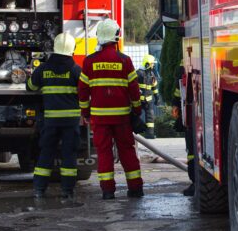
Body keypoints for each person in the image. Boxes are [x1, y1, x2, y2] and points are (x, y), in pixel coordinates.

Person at [78, 19, 144, 200]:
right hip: (122, 118)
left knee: (104, 153)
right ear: (116, 37)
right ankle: (136, 189)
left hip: (99, 119)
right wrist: (137, 112)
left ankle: (108, 191)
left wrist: (85, 113)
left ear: (99, 37)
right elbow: (134, 89)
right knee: (127, 151)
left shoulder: (89, 61)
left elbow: (83, 91)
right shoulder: (125, 60)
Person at [27, 32, 82, 200]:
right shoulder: (75, 70)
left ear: (54, 49)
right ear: (72, 50)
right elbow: (84, 92)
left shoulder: (43, 69)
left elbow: (31, 87)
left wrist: (31, 74)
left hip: (50, 121)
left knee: (46, 153)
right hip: (71, 122)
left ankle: (39, 190)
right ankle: (67, 191)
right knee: (69, 155)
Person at [173, 60, 196, 196]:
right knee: (193, 151)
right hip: (193, 110)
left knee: (193, 150)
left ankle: (195, 181)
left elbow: (179, 88)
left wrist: (176, 105)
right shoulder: (187, 61)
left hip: (193, 112)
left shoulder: (186, 60)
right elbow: (179, 89)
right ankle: (195, 181)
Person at [136, 54, 159, 139]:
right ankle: (135, 135)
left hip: (148, 101)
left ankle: (150, 134)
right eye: (152, 63)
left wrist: (157, 97)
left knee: (150, 117)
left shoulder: (152, 74)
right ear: (147, 64)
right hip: (138, 101)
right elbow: (133, 86)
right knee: (135, 117)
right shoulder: (138, 73)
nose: (153, 65)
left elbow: (154, 86)